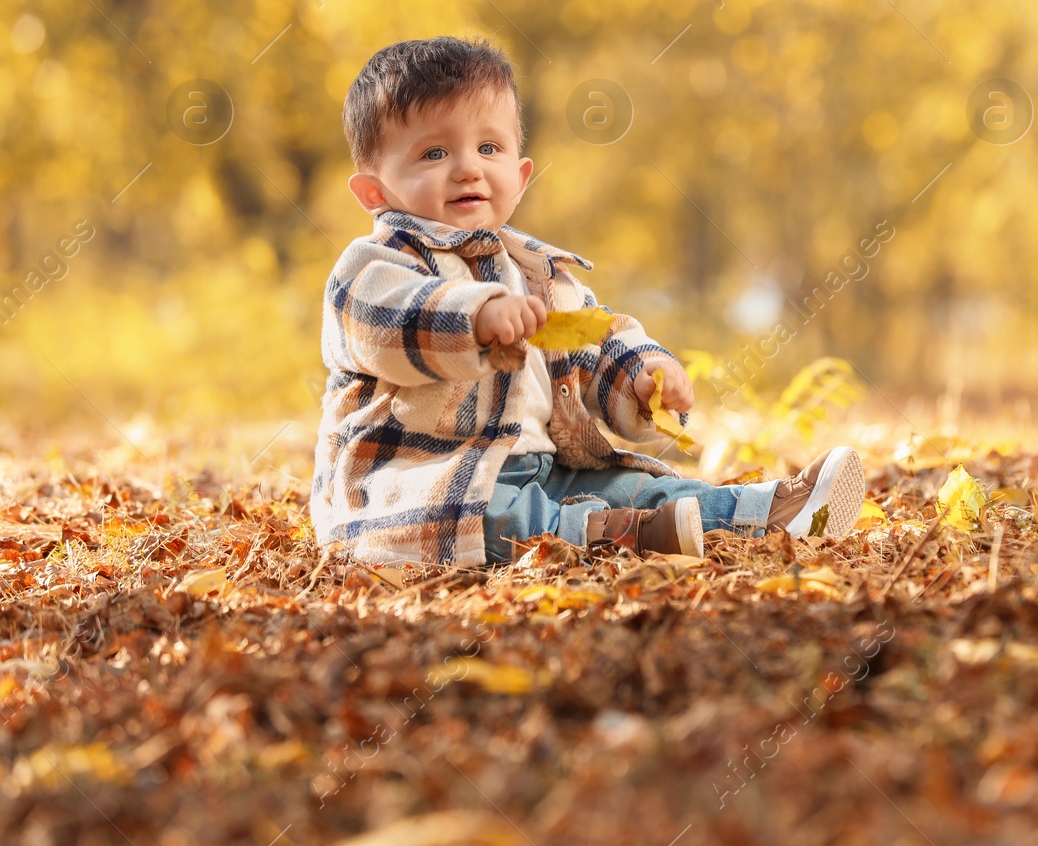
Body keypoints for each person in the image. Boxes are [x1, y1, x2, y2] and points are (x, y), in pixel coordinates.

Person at [310, 36, 866, 566]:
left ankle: (770, 512)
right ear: (375, 193)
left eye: (488, 147)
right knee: (498, 517)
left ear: (520, 176)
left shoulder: (540, 275)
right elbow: (385, 327)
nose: (468, 167)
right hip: (418, 486)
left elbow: (597, 343)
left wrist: (644, 378)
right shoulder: (375, 267)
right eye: (435, 152)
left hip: (547, 468)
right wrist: (475, 318)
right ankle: (615, 535)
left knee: (640, 485)